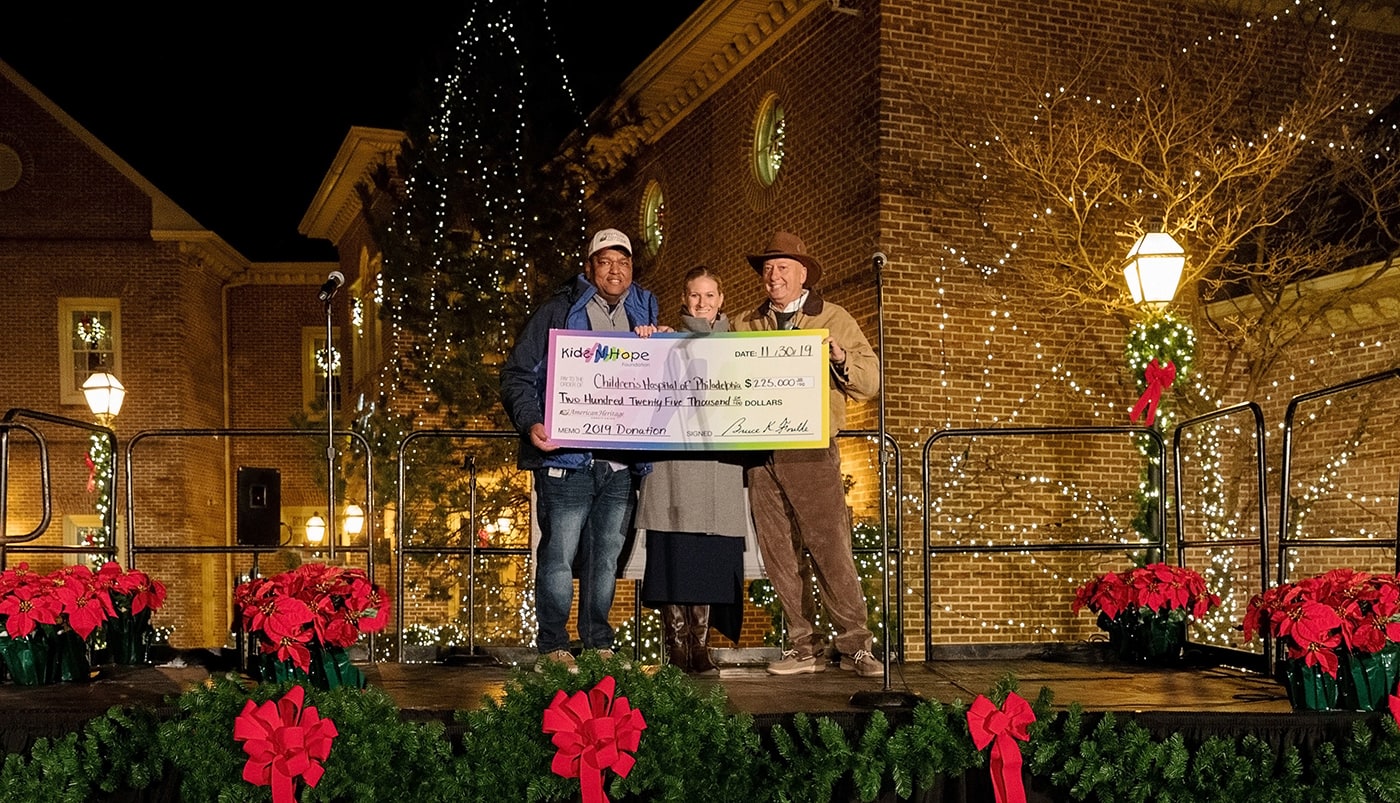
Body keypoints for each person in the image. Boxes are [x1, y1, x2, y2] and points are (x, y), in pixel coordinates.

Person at [499, 227, 661, 673]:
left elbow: (660, 378)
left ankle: (598, 643)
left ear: (632, 270)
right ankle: (552, 646)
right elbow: (516, 374)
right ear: (590, 267)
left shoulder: (644, 311)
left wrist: (662, 345)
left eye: (623, 262)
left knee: (605, 558)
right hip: (566, 459)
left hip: (620, 463)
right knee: (558, 555)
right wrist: (532, 421)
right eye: (605, 261)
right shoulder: (558, 309)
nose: (615, 270)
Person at [735, 231, 883, 678]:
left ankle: (855, 644)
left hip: (812, 448)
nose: (772, 275)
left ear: (803, 275)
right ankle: (802, 644)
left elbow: (869, 382)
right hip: (761, 452)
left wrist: (840, 358)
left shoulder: (833, 318)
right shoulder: (746, 323)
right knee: (779, 553)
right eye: (767, 268)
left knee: (830, 548)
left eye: (782, 267)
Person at [633, 266, 751, 674]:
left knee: (708, 559)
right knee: (672, 557)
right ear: (684, 299)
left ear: (722, 299)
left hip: (717, 465)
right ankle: (676, 645)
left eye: (710, 295)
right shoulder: (665, 340)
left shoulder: (739, 344)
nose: (702, 303)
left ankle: (700, 647)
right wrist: (647, 342)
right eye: (694, 296)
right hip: (673, 466)